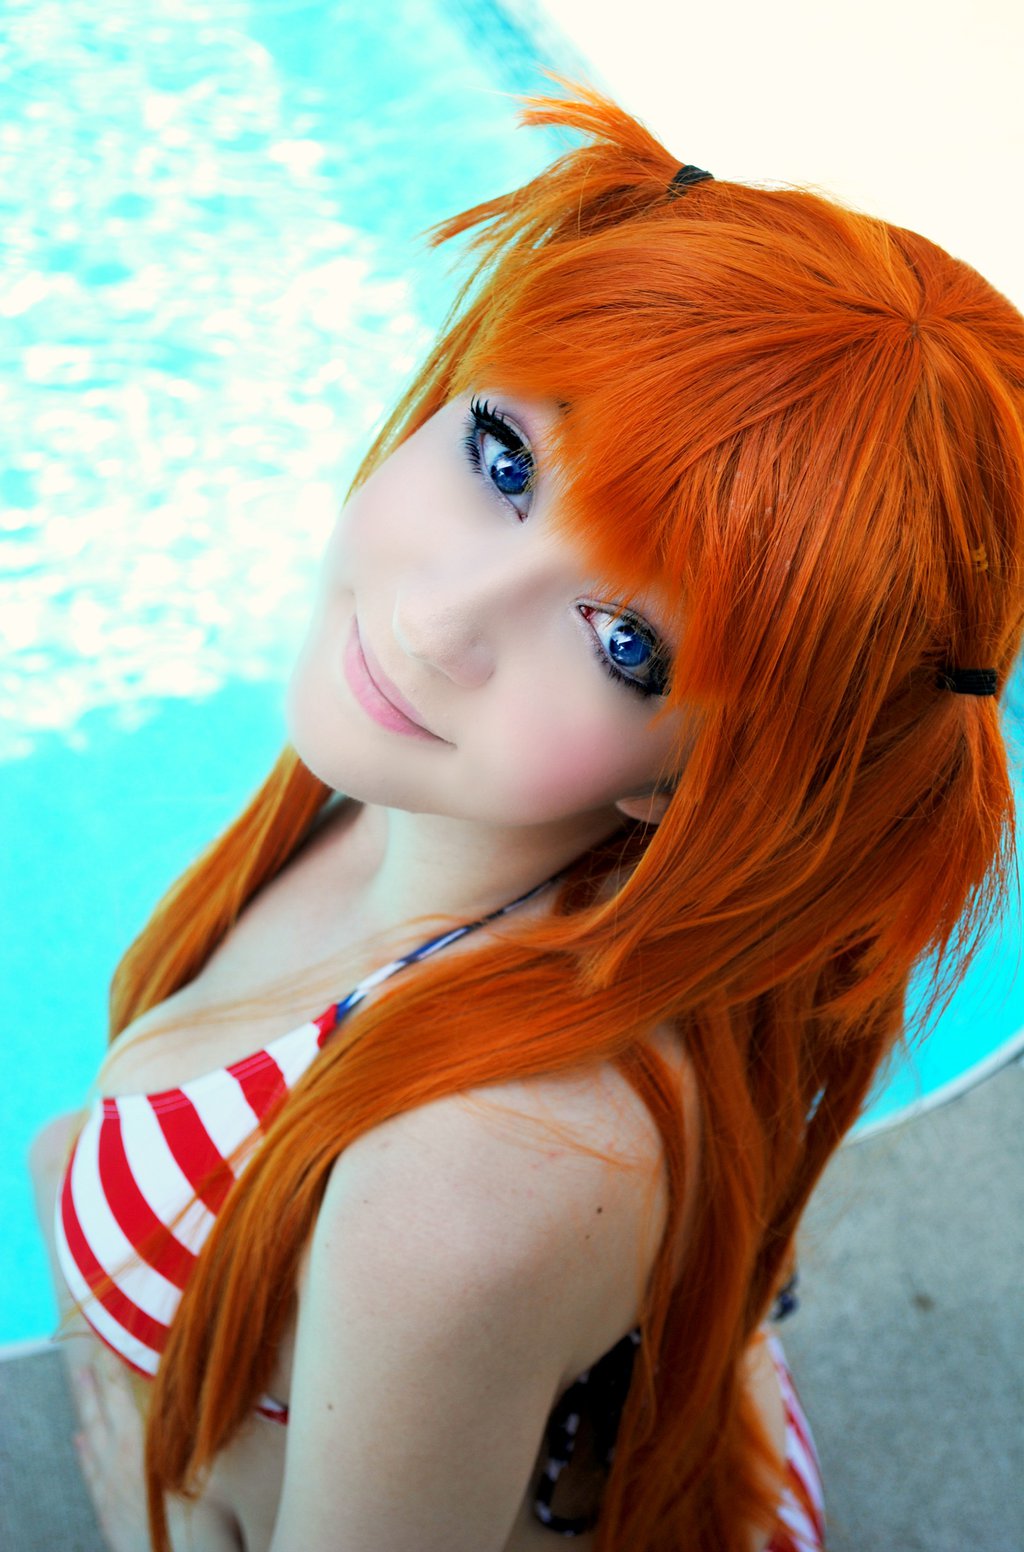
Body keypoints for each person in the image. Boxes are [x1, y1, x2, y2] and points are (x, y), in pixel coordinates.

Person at [28, 79, 1024, 1552]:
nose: (440, 619)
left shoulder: (467, 1184)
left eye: (627, 643)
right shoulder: (443, 815)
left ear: (700, 778)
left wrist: (142, 1522)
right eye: (504, 459)